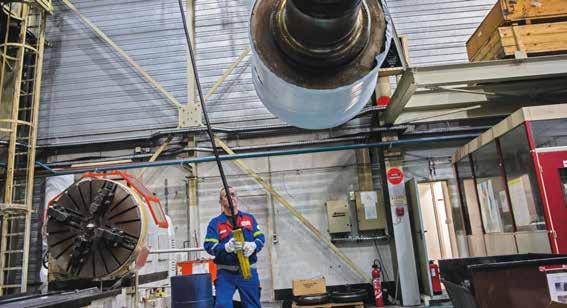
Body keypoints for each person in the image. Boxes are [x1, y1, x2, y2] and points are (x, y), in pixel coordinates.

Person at [204, 186, 265, 308]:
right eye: (226, 196)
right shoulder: (215, 223)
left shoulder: (249, 219)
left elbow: (261, 239)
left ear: (237, 198)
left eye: (233, 194)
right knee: (222, 305)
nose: (231, 197)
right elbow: (209, 246)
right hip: (226, 273)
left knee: (252, 305)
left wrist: (253, 245)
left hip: (248, 272)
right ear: (221, 201)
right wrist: (225, 247)